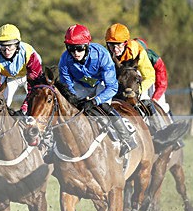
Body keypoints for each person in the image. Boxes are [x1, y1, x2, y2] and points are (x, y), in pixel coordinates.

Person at [57, 24, 138, 157]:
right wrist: (75, 101)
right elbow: (68, 87)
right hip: (81, 84)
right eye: (71, 48)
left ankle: (126, 139)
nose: (75, 53)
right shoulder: (65, 60)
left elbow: (112, 87)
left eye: (79, 48)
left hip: (102, 83)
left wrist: (95, 101)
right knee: (67, 106)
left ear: (87, 46)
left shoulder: (102, 55)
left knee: (103, 105)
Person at [104, 23, 169, 113]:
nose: (115, 49)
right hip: (122, 81)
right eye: (111, 45)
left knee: (148, 101)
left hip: (141, 79)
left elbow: (150, 77)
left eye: (119, 45)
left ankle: (158, 123)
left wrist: (140, 91)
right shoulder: (106, 53)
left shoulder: (139, 52)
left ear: (126, 43)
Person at [0, 24, 43, 114]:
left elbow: (34, 85)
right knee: (1, 104)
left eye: (10, 46)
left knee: (34, 102)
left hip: (27, 76)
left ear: (17, 45)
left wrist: (24, 107)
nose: (7, 51)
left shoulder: (29, 53)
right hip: (8, 77)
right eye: (3, 46)